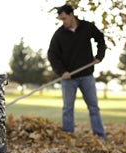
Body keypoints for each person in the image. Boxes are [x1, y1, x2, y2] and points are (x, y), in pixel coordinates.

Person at [47, 4, 108, 140]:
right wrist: (62, 72)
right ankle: (68, 135)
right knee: (68, 109)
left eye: (64, 18)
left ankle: (99, 135)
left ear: (72, 14)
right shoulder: (59, 34)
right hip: (68, 78)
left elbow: (100, 39)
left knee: (93, 107)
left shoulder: (87, 27)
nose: (63, 22)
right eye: (61, 19)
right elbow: (52, 54)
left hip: (87, 75)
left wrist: (99, 56)